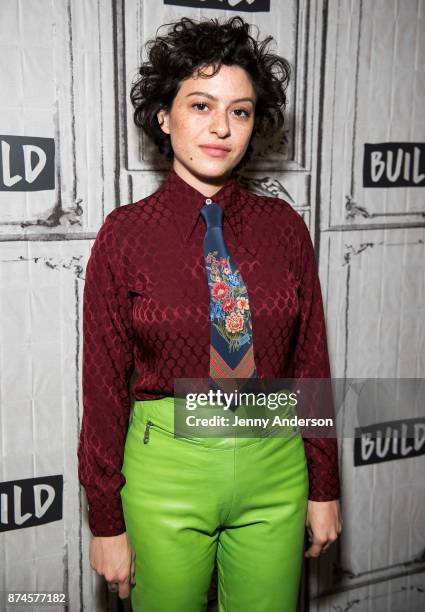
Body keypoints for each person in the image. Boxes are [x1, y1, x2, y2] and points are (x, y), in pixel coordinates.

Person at [77, 15, 343, 612]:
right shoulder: (124, 237)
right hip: (165, 472)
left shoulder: (285, 230)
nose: (221, 126)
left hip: (276, 467)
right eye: (200, 105)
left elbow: (310, 365)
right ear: (164, 117)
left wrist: (324, 486)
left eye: (241, 111)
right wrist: (105, 521)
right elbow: (102, 390)